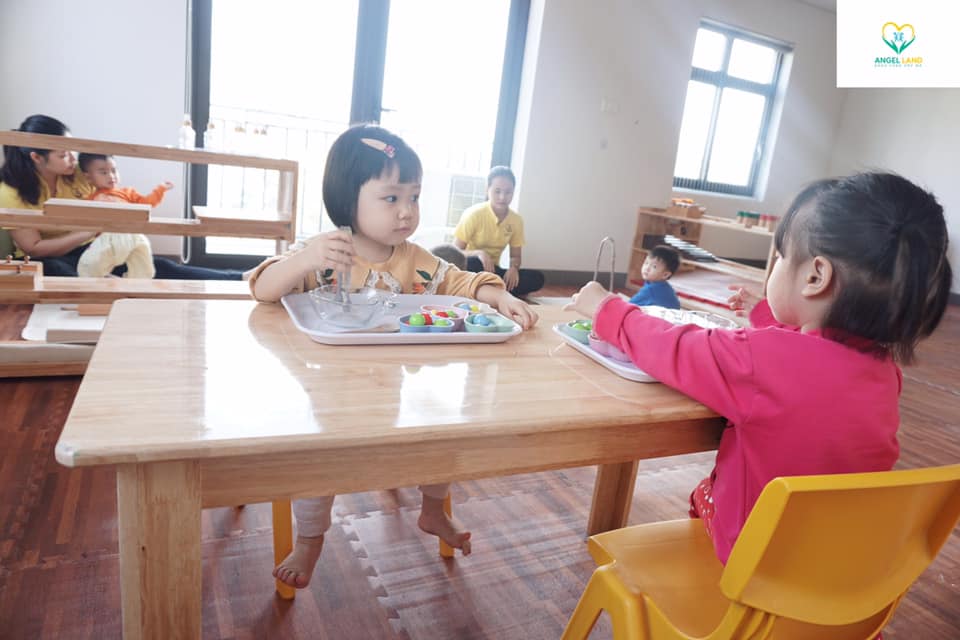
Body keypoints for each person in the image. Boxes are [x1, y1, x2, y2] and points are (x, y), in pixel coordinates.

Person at [565, 172, 952, 564]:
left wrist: (607, 310)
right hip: (838, 572)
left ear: (815, 276)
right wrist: (766, 314)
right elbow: (814, 362)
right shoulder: (886, 375)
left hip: (754, 568)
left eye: (780, 256)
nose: (776, 264)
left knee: (688, 508)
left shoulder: (758, 360)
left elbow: (675, 347)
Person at [248, 124, 539, 588]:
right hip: (330, 399)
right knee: (317, 462)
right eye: (391, 198)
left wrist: (498, 294)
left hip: (394, 397)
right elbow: (263, 290)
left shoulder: (414, 260)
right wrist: (304, 260)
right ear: (347, 200)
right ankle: (310, 539)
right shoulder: (326, 251)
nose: (407, 211)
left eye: (414, 197)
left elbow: (461, 283)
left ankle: (433, 510)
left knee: (443, 436)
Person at [0, 114, 243, 279]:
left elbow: (110, 183)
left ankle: (239, 277)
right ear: (36, 157)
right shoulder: (11, 192)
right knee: (61, 271)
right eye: (63, 155)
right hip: (45, 259)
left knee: (157, 265)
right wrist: (87, 232)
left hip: (87, 247)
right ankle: (107, 293)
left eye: (73, 150)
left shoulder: (77, 174)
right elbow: (34, 248)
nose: (73, 159)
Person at [453, 166, 545, 297]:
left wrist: (513, 268)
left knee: (537, 278)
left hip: (494, 272)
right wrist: (479, 253)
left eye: (508, 192)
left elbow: (515, 256)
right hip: (473, 268)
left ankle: (487, 288)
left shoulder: (516, 220)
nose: (502, 197)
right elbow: (455, 252)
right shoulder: (474, 214)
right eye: (497, 191)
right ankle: (492, 288)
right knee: (473, 263)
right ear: (488, 189)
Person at [75, 152, 169, 278]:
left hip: (133, 236)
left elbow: (147, 203)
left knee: (145, 269)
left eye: (114, 170)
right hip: (108, 238)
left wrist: (160, 189)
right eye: (103, 172)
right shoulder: (90, 201)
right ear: (88, 178)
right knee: (88, 266)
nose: (111, 176)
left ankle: (135, 285)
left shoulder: (127, 193)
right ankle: (105, 279)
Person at [627, 244, 681, 309]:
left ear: (665, 275)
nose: (647, 268)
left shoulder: (651, 290)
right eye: (646, 263)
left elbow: (628, 305)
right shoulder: (664, 285)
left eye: (654, 266)